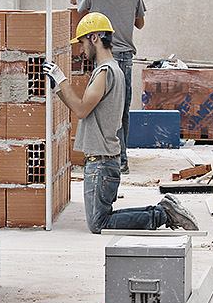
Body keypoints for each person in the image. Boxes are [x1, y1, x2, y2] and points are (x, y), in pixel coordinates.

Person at [43, 12, 198, 234]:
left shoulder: (105, 72)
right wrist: (59, 87)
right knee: (101, 220)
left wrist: (61, 80)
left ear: (95, 37)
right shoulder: (113, 70)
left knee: (99, 223)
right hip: (104, 160)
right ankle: (163, 212)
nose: (81, 49)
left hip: (102, 162)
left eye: (82, 42)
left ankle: (163, 213)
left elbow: (81, 109)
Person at [77, 0, 145, 174]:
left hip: (104, 55)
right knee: (121, 109)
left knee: (101, 107)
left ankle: (106, 155)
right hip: (125, 57)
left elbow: (73, 0)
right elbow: (140, 24)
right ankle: (122, 159)